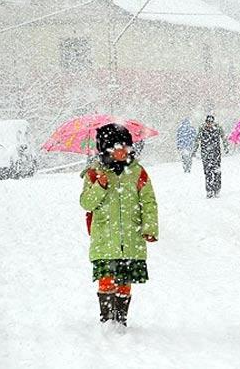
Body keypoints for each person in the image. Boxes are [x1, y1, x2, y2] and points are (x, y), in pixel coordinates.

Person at [80, 123, 158, 328]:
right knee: (106, 278)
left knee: (124, 280)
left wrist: (149, 227)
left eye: (126, 147)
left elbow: (149, 201)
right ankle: (107, 319)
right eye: (117, 147)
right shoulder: (94, 174)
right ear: (106, 149)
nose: (123, 151)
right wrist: (100, 185)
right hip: (105, 238)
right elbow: (86, 203)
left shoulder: (137, 172)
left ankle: (121, 319)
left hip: (131, 238)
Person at [193, 115, 229, 198]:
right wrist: (194, 150)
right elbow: (197, 140)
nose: (209, 124)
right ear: (206, 122)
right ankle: (209, 190)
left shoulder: (218, 128)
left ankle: (217, 189)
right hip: (205, 154)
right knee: (207, 172)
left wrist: (226, 146)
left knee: (217, 171)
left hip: (216, 153)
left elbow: (223, 137)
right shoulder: (202, 129)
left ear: (213, 122)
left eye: (211, 122)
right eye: (208, 122)